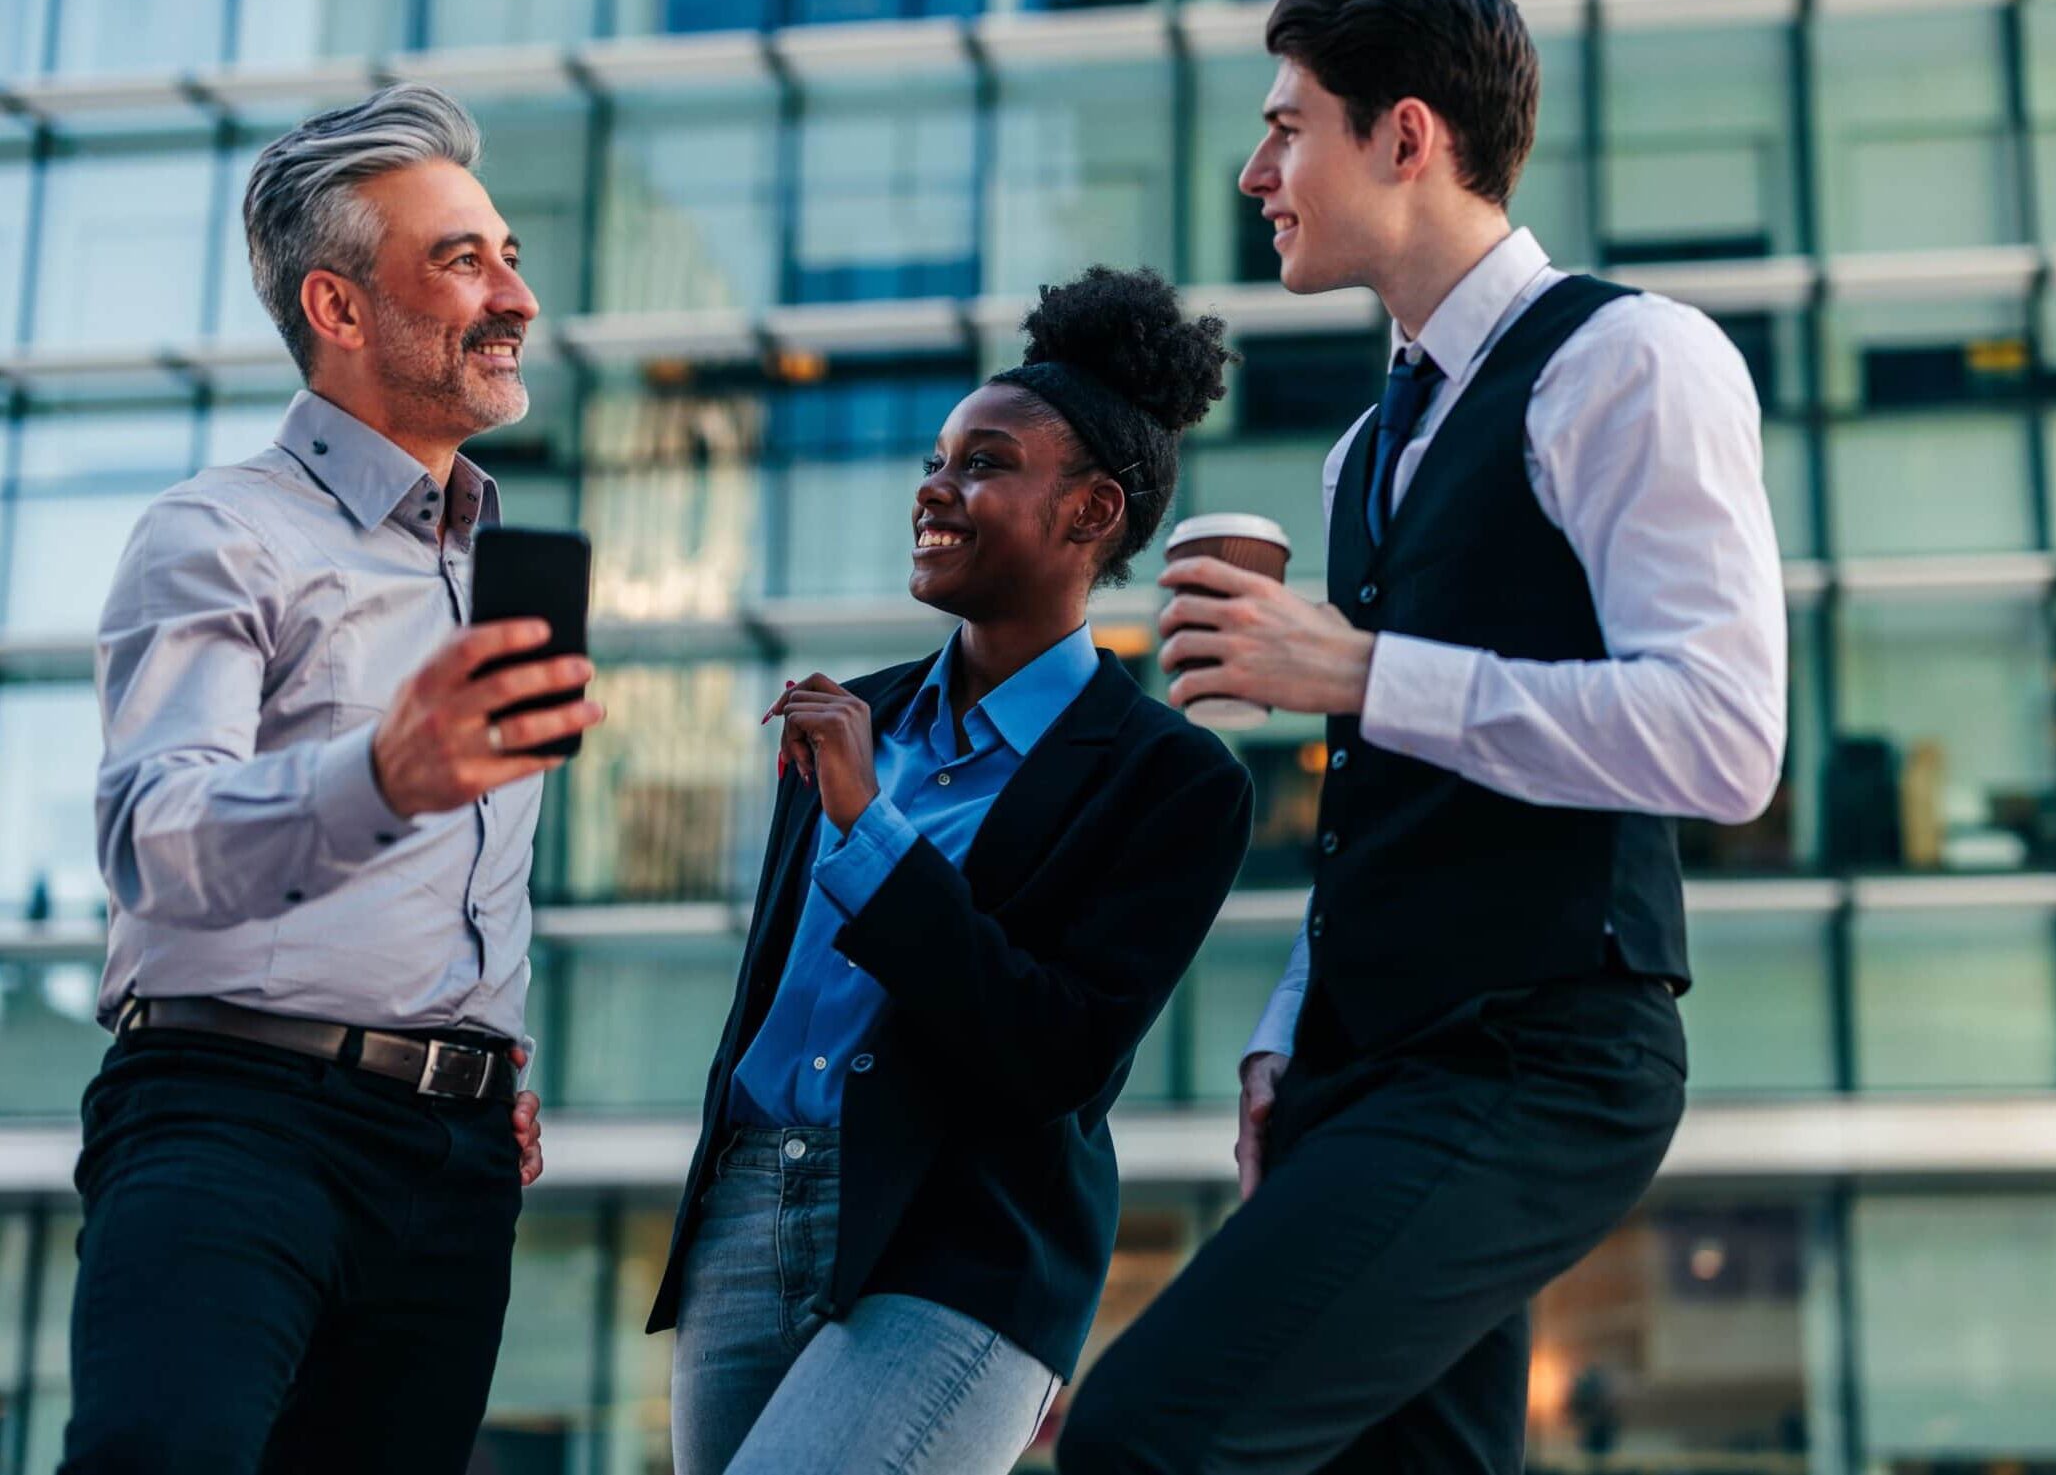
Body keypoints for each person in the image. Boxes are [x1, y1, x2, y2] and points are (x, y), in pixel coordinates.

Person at [1059, 0, 1788, 1473]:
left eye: (1287, 126)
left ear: (1405, 136)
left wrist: (1361, 672)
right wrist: (1285, 1030)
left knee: (1142, 1435)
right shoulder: (1361, 452)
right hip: (1372, 1059)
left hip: (1538, 1050)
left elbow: (1724, 738)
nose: (1257, 170)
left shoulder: (1628, 360)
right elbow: (1395, 796)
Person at [64, 83, 604, 1473]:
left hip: (458, 1161)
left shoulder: (499, 573)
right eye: (461, 259)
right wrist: (379, 771)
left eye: (511, 255)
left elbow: (465, 875)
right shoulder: (218, 535)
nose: (514, 296)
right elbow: (153, 834)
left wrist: (477, 1032)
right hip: (233, 1119)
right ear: (340, 308)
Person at [648, 265, 1254, 1475]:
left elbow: (1055, 1052)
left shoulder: (1173, 779)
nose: (935, 484)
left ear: (1090, 514)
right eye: (938, 456)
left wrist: (871, 827)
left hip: (966, 1240)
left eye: (984, 462)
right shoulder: (849, 718)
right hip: (753, 1203)